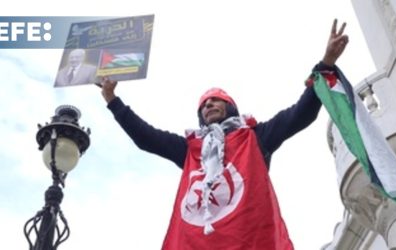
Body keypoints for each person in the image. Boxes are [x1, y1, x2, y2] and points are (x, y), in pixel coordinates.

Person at [98, 19, 349, 250]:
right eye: (204, 104)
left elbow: (299, 115)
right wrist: (112, 100)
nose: (208, 105)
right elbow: (146, 137)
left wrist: (326, 64)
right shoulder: (190, 149)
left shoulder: (256, 136)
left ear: (229, 106)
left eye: (215, 101)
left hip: (249, 242)